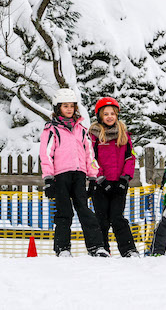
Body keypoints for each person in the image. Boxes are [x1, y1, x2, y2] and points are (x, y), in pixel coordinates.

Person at [39, 88, 109, 257]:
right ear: (58, 108)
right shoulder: (52, 129)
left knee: (85, 211)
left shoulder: (81, 129)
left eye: (72, 106)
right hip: (60, 176)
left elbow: (89, 154)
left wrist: (93, 176)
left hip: (79, 175)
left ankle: (96, 247)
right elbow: (46, 154)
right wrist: (48, 178)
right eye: (65, 106)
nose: (69, 109)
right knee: (64, 212)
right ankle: (62, 248)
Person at [89, 97, 140, 257]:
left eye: (112, 113)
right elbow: (90, 158)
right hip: (101, 185)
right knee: (102, 219)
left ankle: (128, 249)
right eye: (106, 114)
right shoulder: (94, 136)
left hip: (119, 185)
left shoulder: (123, 135)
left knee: (117, 217)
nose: (110, 117)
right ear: (100, 116)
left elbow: (130, 157)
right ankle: (101, 248)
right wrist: (100, 178)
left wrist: (125, 178)